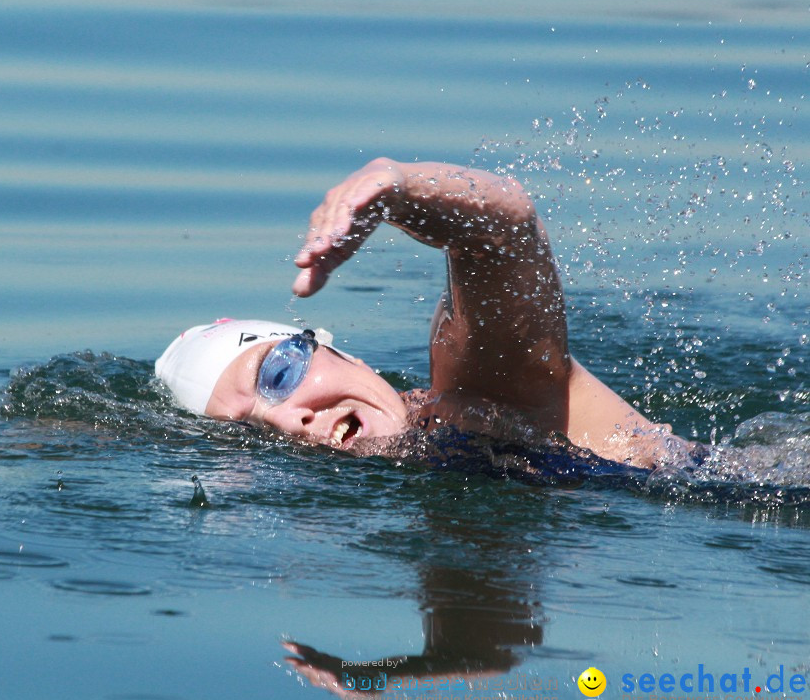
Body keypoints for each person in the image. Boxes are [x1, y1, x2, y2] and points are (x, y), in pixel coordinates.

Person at [156, 158, 699, 471]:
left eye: (278, 375)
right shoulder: (431, 469)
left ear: (342, 354)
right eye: (250, 435)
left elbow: (506, 233)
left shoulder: (475, 399)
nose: (284, 419)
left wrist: (401, 189)